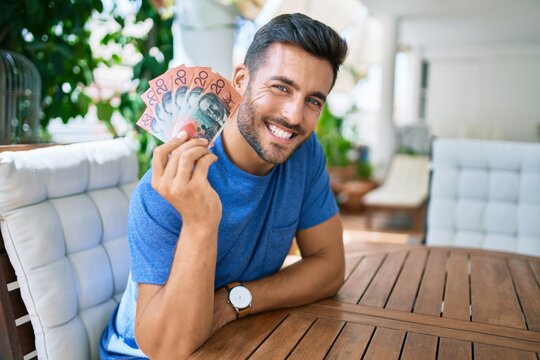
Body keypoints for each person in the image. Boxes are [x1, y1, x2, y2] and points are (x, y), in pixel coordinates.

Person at [100, 12, 348, 359]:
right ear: (241, 80)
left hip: (237, 336)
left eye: (313, 100)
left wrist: (233, 301)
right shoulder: (167, 187)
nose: (294, 116)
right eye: (281, 87)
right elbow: (168, 350)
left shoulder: (303, 155)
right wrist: (200, 222)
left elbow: (329, 267)